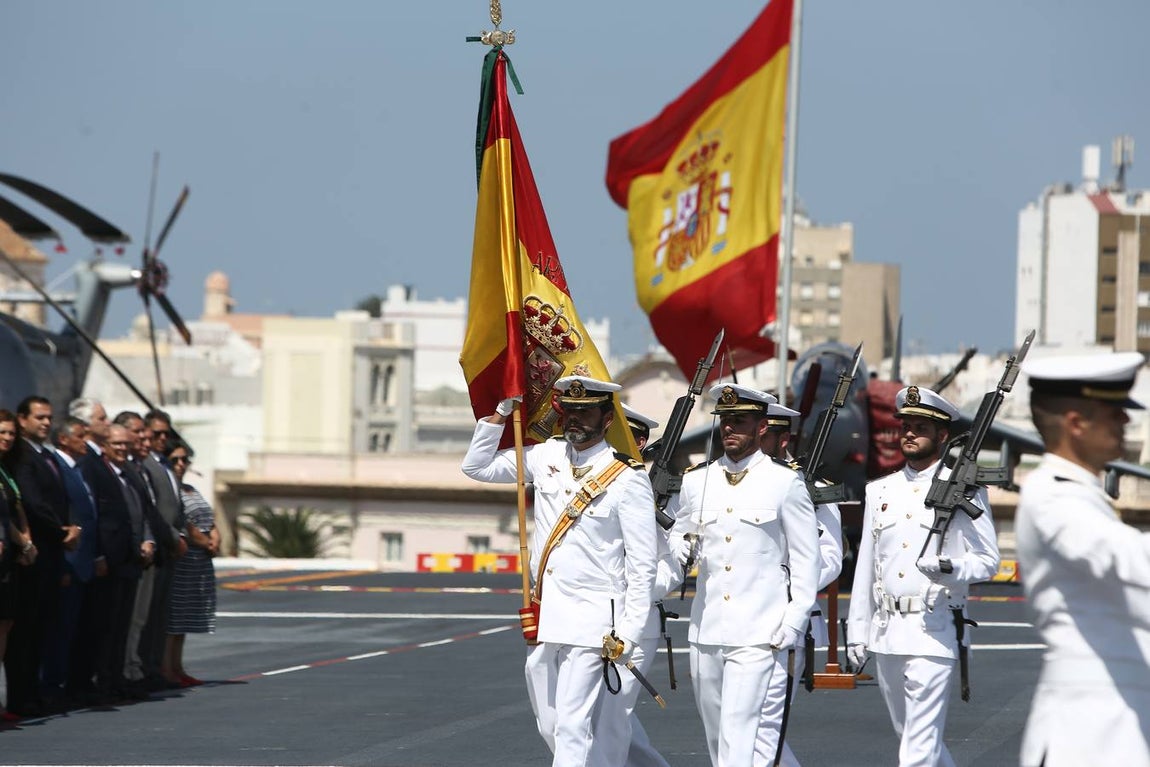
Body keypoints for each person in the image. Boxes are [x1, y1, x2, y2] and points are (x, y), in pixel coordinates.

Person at [461, 376, 657, 767]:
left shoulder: (626, 479)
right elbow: (476, 467)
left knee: (572, 724)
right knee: (551, 725)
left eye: (586, 411)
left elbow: (642, 565)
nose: (575, 419)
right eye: (570, 410)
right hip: (548, 615)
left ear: (606, 420)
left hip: (595, 621)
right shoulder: (544, 457)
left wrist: (630, 634)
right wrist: (501, 414)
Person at [845, 385, 1000, 767]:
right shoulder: (880, 490)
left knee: (916, 750)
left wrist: (952, 569)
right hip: (887, 632)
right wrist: (856, 631)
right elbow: (867, 564)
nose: (909, 433)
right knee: (916, 739)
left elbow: (988, 559)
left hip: (935, 629)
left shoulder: (964, 488)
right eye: (906, 425)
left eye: (921, 427)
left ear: (942, 435)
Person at [666, 384, 819, 767]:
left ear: (762, 427)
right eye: (725, 421)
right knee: (718, 738)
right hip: (707, 631)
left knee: (740, 735)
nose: (729, 428)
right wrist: (680, 547)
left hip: (759, 632)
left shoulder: (785, 483)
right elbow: (679, 535)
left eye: (740, 421)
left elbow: (807, 559)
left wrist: (795, 619)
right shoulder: (697, 480)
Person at [1015, 352, 1150, 766]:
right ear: (1076, 423)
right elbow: (1125, 556)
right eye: (1115, 412)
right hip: (1088, 731)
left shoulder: (1080, 493)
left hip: (1114, 719)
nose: (1125, 423)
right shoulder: (1052, 496)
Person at [755, 402, 843, 767]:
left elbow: (831, 558)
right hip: (740, 618)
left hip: (786, 623)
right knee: (745, 730)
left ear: (782, 438)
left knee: (765, 730)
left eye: (764, 436)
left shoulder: (811, 488)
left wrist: (790, 585)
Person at [163, 440, 218, 687]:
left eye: (184, 459)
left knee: (184, 618)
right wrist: (206, 543)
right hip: (184, 559)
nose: (181, 464)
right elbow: (186, 524)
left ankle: (178, 666)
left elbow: (209, 519)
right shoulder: (170, 491)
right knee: (174, 619)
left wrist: (215, 538)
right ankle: (166, 668)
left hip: (199, 562)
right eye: (175, 460)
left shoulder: (190, 489)